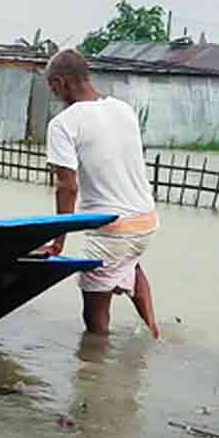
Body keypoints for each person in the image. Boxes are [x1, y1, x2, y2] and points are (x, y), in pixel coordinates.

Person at [42, 49, 159, 339]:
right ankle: (154, 335)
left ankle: (97, 371)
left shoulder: (63, 124)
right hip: (146, 222)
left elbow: (67, 186)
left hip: (112, 231)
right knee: (130, 261)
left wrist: (58, 242)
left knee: (94, 322)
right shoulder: (124, 109)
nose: (54, 95)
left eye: (52, 88)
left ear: (59, 83)